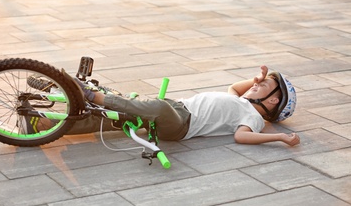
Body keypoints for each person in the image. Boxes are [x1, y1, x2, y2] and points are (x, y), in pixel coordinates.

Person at [67, 65, 299, 147]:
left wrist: (277, 137)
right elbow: (236, 87)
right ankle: (45, 123)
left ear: (273, 101)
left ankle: (92, 95)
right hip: (176, 108)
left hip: (181, 125)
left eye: (263, 86)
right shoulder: (239, 100)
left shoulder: (253, 118)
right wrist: (258, 79)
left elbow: (242, 137)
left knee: (156, 108)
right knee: (119, 116)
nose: (255, 85)